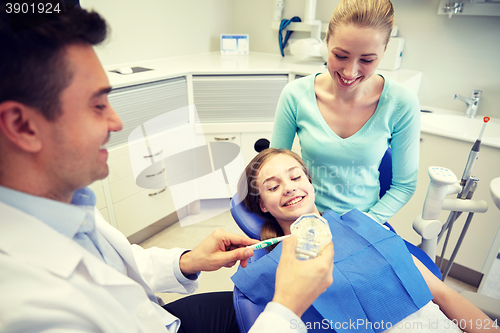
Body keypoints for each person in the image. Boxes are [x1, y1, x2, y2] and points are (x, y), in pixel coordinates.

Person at [0, 5, 333, 333]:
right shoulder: (27, 309)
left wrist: (187, 261)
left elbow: (115, 265)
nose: (116, 122)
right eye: (97, 105)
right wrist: (287, 307)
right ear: (22, 125)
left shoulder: (65, 203)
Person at [233, 148, 499, 333]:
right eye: (273, 186)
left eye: (295, 176)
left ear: (309, 182)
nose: (289, 187)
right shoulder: (275, 267)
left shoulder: (363, 224)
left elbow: (441, 293)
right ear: (263, 205)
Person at [271, 0, 419, 224]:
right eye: (341, 56)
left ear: (384, 50)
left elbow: (404, 185)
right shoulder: (296, 95)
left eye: (367, 60)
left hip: (366, 220)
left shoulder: (401, 104)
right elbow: (275, 167)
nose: (350, 72)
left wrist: (365, 224)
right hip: (305, 217)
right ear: (327, 41)